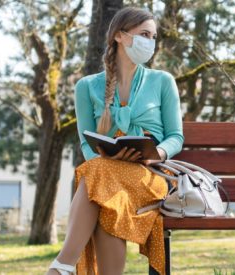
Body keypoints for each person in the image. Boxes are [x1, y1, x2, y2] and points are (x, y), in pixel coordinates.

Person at [46, 7, 183, 275]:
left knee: (98, 180)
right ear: (120, 36)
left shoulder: (163, 81)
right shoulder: (86, 86)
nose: (150, 42)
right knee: (104, 188)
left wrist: (158, 154)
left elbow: (176, 137)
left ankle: (62, 266)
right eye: (144, 34)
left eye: (153, 36)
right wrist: (105, 159)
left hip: (150, 173)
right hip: (106, 172)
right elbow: (86, 143)